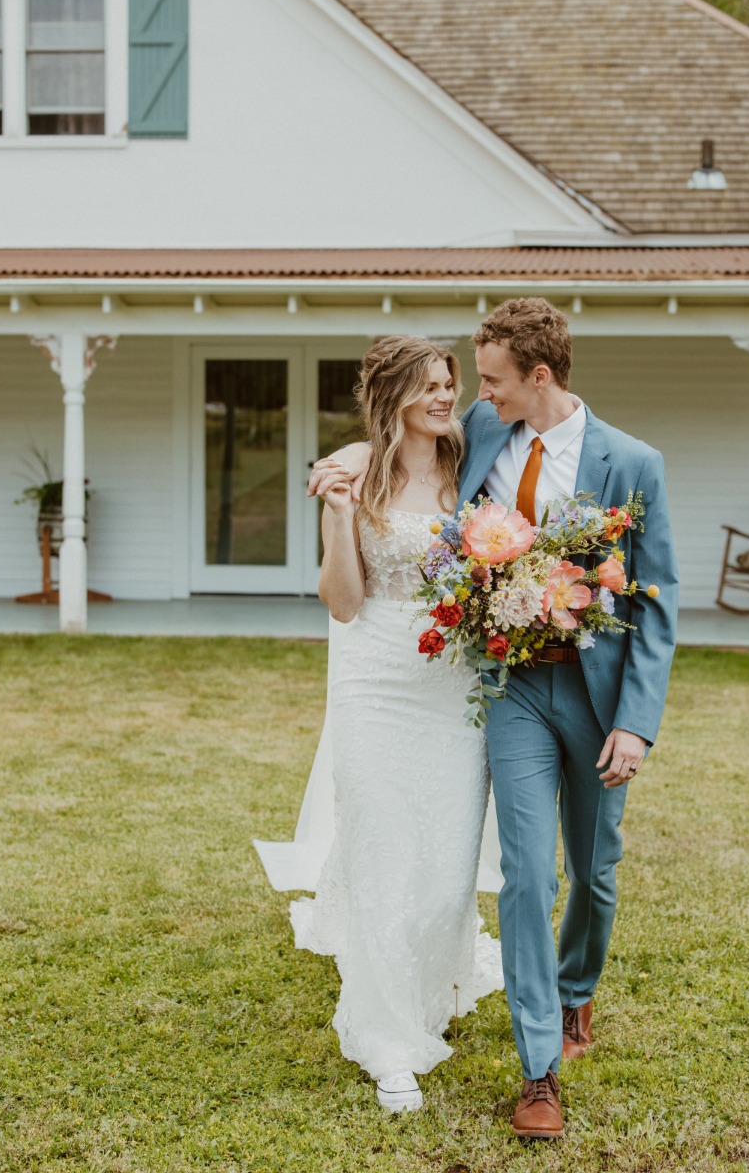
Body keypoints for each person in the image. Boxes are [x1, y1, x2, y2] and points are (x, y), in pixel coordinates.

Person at [310, 298, 678, 1139]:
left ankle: (575, 992)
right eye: (459, 382)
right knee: (523, 875)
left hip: (592, 692)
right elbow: (387, 439)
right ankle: (538, 1069)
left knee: (592, 868)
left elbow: (657, 597)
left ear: (535, 378)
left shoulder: (630, 461)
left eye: (486, 380)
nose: (472, 395)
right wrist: (336, 469)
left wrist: (637, 720)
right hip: (503, 686)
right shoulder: (482, 428)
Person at [275, 335, 502, 1114]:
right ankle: (385, 1038)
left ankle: (428, 983)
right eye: (432, 386)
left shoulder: (473, 466)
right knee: (380, 850)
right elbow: (343, 602)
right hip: (372, 682)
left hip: (452, 688)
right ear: (394, 394)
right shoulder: (352, 469)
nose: (447, 396)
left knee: (444, 867)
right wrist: (339, 519)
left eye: (451, 383)